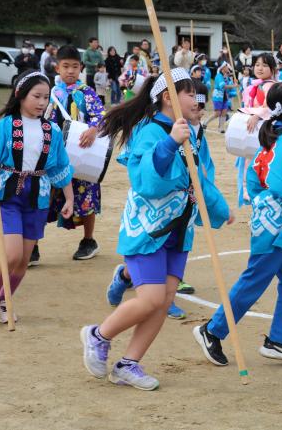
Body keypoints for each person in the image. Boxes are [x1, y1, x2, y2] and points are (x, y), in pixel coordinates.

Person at [81, 68, 230, 390]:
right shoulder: (149, 131)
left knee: (163, 301)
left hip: (179, 228)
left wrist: (220, 209)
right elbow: (147, 182)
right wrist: (170, 142)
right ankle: (98, 335)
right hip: (148, 229)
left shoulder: (195, 132)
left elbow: (200, 178)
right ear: (167, 97)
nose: (197, 100)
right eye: (189, 93)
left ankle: (128, 364)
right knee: (150, 299)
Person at [194, 81, 282, 366]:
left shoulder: (273, 139)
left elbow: (254, 180)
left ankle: (278, 340)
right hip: (278, 227)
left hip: (278, 226)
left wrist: (264, 202)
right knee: (254, 281)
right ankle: (212, 330)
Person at [0, 70, 74, 324]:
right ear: (20, 95)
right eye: (36, 96)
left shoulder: (51, 130)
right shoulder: (2, 127)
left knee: (24, 259)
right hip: (8, 194)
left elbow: (60, 167)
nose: (42, 102)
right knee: (12, 255)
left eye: (46, 97)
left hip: (38, 196)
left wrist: (69, 199)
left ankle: (6, 301)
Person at [47, 45, 105, 261]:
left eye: (75, 66)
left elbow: (100, 115)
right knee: (44, 196)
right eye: (66, 66)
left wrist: (93, 129)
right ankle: (32, 244)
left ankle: (88, 240)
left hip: (82, 153)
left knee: (86, 196)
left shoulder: (86, 92)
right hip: (54, 154)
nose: (70, 71)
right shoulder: (51, 92)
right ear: (57, 67)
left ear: (81, 68)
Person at [235, 53, 278, 206]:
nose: (260, 68)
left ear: (272, 69)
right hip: (254, 130)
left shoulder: (270, 86)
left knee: (256, 164)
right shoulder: (256, 84)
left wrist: (256, 115)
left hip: (263, 131)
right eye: (257, 64)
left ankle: (251, 193)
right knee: (250, 161)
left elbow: (270, 107)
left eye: (265, 65)